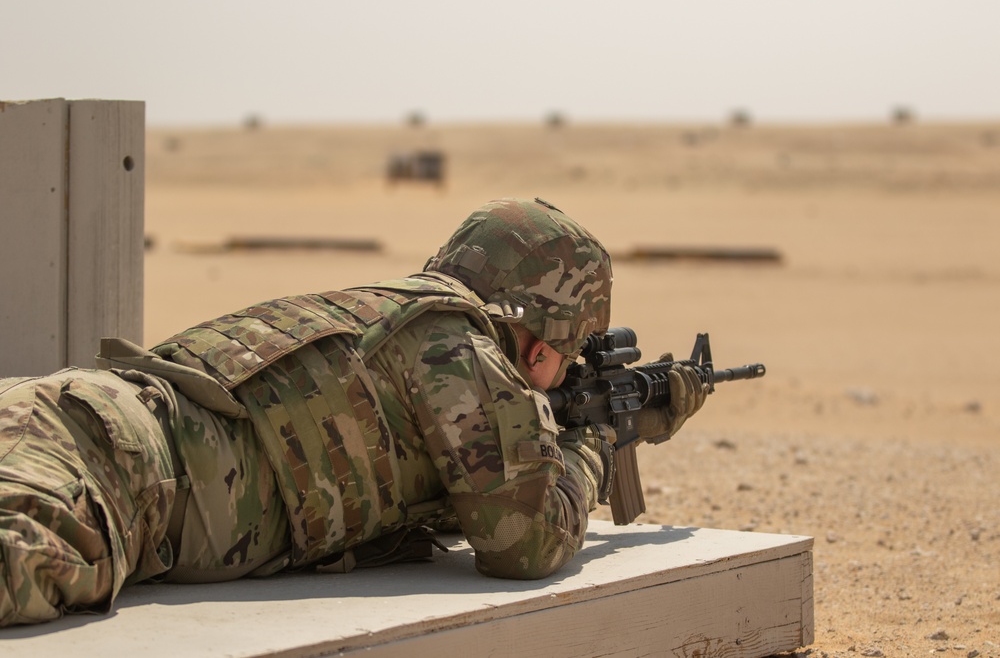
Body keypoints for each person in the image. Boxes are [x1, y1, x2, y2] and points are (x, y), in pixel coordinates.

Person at [0, 197, 707, 627]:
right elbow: (525, 542)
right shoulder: (459, 352)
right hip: (116, 475)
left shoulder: (395, 310)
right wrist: (590, 450)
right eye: (569, 349)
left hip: (79, 418)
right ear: (537, 340)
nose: (564, 368)